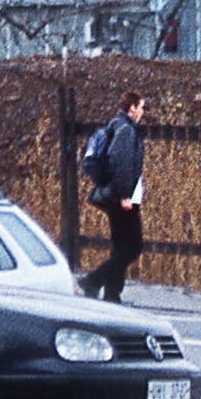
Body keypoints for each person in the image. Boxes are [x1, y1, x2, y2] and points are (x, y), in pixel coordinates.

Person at [81, 92, 148, 307]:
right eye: (141, 107)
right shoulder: (126, 130)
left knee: (120, 246)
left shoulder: (117, 125)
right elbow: (120, 163)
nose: (143, 112)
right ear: (131, 108)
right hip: (122, 197)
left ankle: (111, 295)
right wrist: (124, 196)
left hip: (116, 195)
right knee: (133, 246)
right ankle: (92, 280)